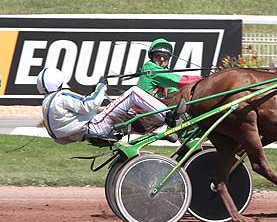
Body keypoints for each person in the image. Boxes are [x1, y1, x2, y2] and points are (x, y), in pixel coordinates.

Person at [37, 67, 182, 145]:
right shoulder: (61, 97)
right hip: (96, 127)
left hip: (87, 134)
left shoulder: (46, 105)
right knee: (133, 93)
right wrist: (101, 86)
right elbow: (89, 104)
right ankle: (168, 116)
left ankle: (160, 130)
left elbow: (60, 140)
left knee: (129, 113)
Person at [136, 38, 201, 99]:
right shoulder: (150, 67)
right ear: (152, 56)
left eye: (165, 56)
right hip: (140, 107)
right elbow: (180, 81)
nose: (162, 59)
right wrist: (201, 79)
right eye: (158, 55)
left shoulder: (164, 80)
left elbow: (174, 92)